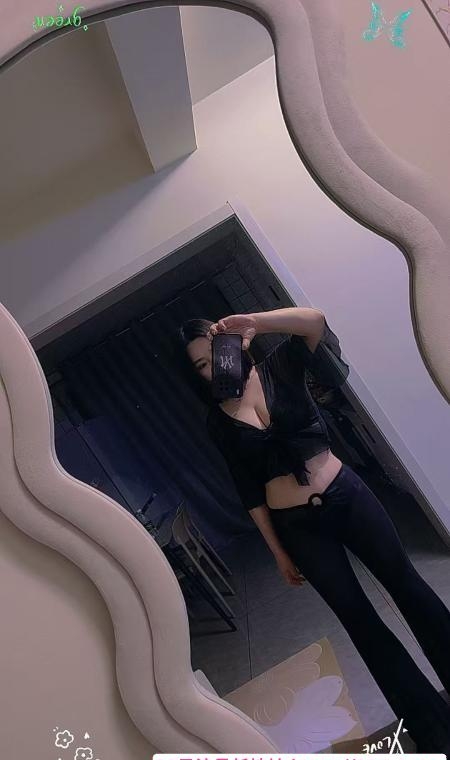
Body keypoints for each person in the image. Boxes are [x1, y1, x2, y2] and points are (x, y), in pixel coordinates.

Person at [178, 306, 450, 753]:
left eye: (217, 351)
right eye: (204, 365)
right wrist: (279, 552)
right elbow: (249, 491)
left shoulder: (279, 366)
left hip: (347, 497)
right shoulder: (218, 422)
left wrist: (258, 323)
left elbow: (314, 322)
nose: (216, 367)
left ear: (233, 341)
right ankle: (434, 728)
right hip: (299, 529)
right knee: (361, 623)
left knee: (410, 589)